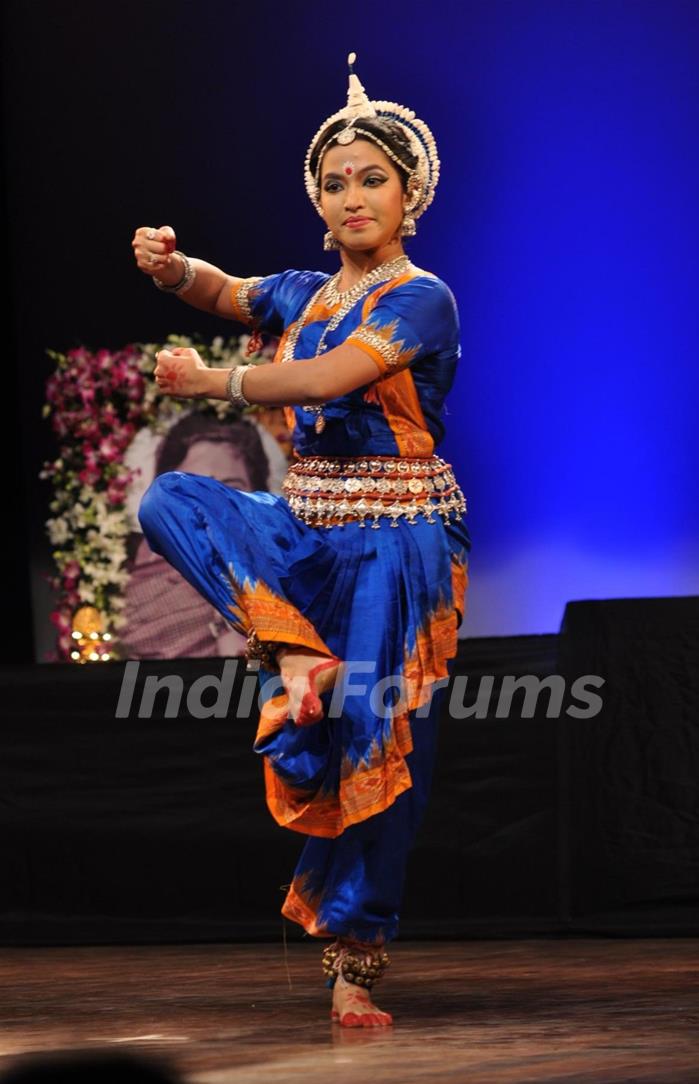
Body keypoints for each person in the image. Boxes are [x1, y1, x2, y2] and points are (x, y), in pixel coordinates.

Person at [131, 53, 471, 1028]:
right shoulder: (300, 292)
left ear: (410, 194)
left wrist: (216, 386)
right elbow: (227, 293)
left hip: (400, 541)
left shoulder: (422, 298)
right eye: (335, 181)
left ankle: (352, 966)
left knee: (376, 734)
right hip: (309, 528)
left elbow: (327, 383)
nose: (352, 194)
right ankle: (291, 651)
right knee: (172, 502)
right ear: (317, 203)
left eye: (372, 177)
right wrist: (170, 268)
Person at [121, 412, 271, 659]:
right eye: (193, 489)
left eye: (230, 488)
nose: (210, 505)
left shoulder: (282, 579)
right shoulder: (133, 594)